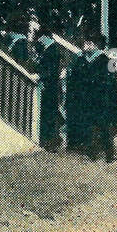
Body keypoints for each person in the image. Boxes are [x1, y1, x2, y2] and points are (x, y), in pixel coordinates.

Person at [65, 29, 108, 157]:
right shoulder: (80, 58)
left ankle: (94, 148)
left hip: (96, 97)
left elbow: (108, 80)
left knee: (94, 123)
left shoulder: (104, 59)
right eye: (86, 42)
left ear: (95, 44)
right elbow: (73, 75)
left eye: (88, 43)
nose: (85, 45)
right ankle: (80, 144)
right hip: (80, 95)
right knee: (81, 120)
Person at [32, 22, 63, 152]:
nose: (39, 42)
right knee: (50, 113)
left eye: (40, 39)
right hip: (50, 86)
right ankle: (54, 140)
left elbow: (52, 70)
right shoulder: (50, 49)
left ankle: (53, 142)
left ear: (46, 37)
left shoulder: (53, 50)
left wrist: (41, 76)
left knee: (50, 114)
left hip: (51, 86)